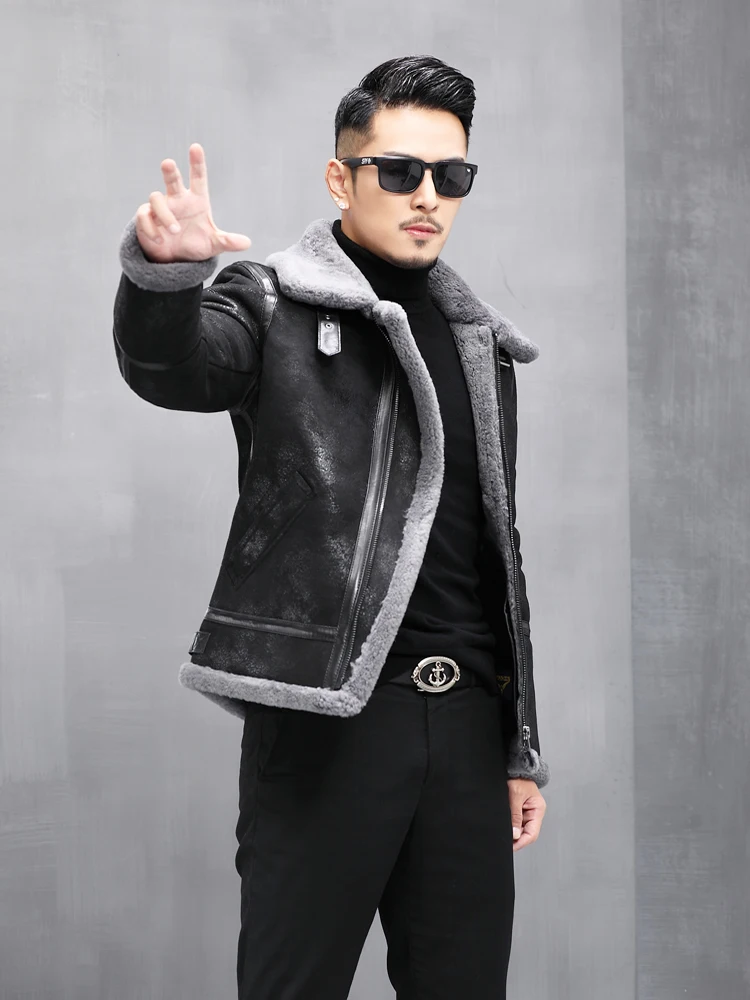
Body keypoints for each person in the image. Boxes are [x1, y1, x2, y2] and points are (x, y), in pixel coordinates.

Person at [113, 53, 549, 1000]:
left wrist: (517, 745)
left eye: (451, 175)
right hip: (328, 722)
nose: (427, 195)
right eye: (400, 170)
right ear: (341, 178)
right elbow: (177, 370)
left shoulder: (481, 344)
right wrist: (167, 277)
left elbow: (496, 555)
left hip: (467, 732)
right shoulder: (272, 303)